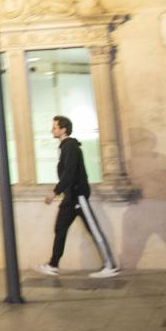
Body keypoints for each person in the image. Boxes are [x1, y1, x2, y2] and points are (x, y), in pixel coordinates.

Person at [36, 116, 120, 278]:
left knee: (93, 229)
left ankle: (110, 266)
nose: (52, 130)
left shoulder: (70, 147)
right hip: (70, 196)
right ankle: (53, 264)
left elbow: (69, 173)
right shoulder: (65, 147)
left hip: (77, 196)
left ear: (63, 129)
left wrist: (55, 191)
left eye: (54, 127)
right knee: (60, 228)